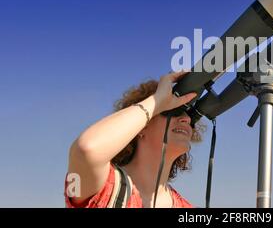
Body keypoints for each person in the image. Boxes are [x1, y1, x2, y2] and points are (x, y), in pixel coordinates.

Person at [65, 71, 205, 208]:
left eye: (190, 115)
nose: (186, 119)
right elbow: (86, 149)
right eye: (174, 111)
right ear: (141, 126)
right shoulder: (105, 188)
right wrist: (158, 100)